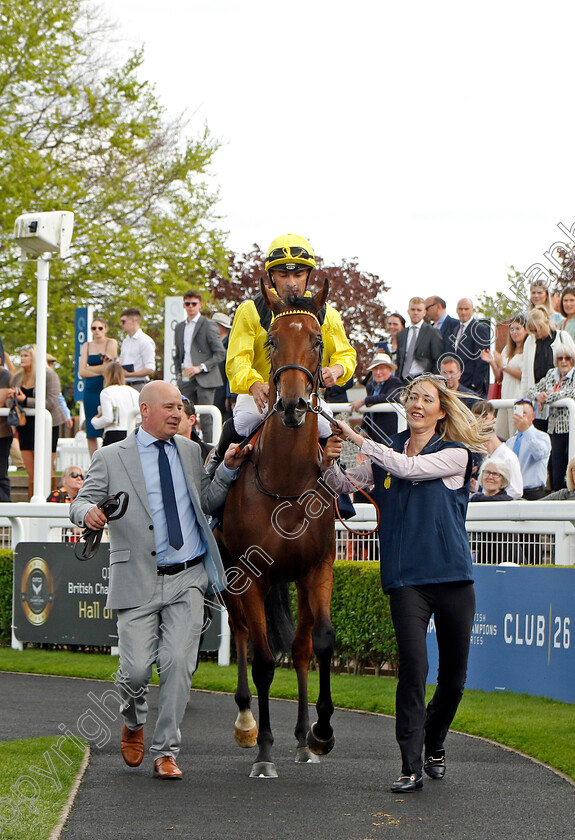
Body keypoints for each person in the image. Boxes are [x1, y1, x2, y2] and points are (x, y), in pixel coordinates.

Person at [69, 381, 250, 780]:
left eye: (180, 408)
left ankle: (166, 750)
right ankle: (133, 722)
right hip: (136, 579)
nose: (177, 414)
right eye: (169, 407)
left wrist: (229, 470)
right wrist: (88, 515)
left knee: (177, 665)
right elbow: (80, 501)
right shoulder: (110, 456)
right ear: (145, 411)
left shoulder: (190, 451)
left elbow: (205, 501)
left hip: (188, 577)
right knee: (134, 673)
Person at [321, 373, 489, 792]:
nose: (416, 404)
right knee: (414, 669)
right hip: (405, 581)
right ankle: (409, 764)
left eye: (426, 399)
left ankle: (435, 741)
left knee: (453, 682)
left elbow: (410, 470)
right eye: (412, 397)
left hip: (453, 580)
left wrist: (360, 440)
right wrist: (329, 462)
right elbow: (344, 485)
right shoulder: (387, 450)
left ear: (441, 410)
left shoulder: (456, 453)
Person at [206, 233, 356, 472]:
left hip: (305, 395)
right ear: (272, 276)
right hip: (260, 395)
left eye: (298, 274)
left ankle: (341, 494)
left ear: (308, 276)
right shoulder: (250, 310)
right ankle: (213, 474)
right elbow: (236, 360)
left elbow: (346, 355)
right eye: (283, 275)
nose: (291, 282)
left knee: (331, 428)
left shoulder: (327, 314)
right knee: (243, 422)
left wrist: (337, 369)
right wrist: (254, 384)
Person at [9, 345, 67, 494]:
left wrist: (26, 400)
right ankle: (32, 502)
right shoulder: (17, 377)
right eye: (21, 355)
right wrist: (12, 399)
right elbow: (11, 402)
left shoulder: (49, 375)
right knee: (31, 471)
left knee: (47, 468)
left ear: (34, 357)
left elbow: (51, 402)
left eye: (26, 355)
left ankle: (52, 499)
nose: (22, 358)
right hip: (25, 425)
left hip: (48, 424)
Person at [173, 291, 226, 442]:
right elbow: (178, 353)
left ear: (200, 305)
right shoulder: (179, 327)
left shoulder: (208, 325)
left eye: (194, 304)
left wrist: (200, 367)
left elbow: (220, 353)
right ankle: (185, 449)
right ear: (184, 305)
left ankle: (209, 455)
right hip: (186, 378)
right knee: (183, 416)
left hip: (206, 377)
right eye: (188, 304)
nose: (191, 307)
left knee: (207, 419)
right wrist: (178, 372)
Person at [527, 344, 575, 491]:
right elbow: (530, 391)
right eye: (560, 358)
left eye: (568, 358)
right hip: (554, 427)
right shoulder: (551, 374)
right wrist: (538, 396)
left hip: (571, 426)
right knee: (555, 464)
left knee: (570, 463)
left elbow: (569, 393)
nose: (564, 361)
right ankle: (557, 493)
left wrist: (545, 398)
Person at [521, 308, 575, 424]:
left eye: (537, 330)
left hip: (561, 406)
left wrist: (549, 396)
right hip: (537, 402)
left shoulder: (563, 337)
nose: (535, 334)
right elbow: (525, 376)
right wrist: (525, 401)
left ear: (546, 323)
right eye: (532, 331)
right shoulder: (529, 342)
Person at [481, 315, 527, 439]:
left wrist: (504, 366)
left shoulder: (528, 349)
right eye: (512, 329)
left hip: (518, 399)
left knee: (515, 436)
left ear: (526, 330)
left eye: (518, 328)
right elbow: (499, 377)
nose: (514, 332)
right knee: (501, 436)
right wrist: (491, 362)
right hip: (504, 398)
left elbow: (525, 375)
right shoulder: (507, 349)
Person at [78, 318, 118, 456]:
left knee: (107, 421)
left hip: (105, 385)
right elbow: (81, 371)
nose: (97, 331)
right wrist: (100, 369)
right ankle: (93, 460)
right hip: (90, 389)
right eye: (94, 328)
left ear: (105, 329)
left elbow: (109, 368)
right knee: (91, 426)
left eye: (100, 328)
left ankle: (108, 458)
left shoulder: (111, 343)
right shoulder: (87, 346)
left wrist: (91, 370)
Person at [470, 400, 523, 499]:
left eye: (485, 418)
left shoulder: (509, 457)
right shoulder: (488, 457)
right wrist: (476, 486)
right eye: (476, 418)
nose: (480, 422)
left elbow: (516, 491)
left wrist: (488, 500)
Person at [351, 353, 402, 444]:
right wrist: (363, 429)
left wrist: (364, 400)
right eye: (375, 369)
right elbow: (368, 410)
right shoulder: (370, 386)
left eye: (382, 368)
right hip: (373, 436)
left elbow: (390, 397)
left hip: (389, 436)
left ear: (390, 370)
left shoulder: (394, 382)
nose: (378, 372)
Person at [505, 399, 551, 499]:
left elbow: (539, 454)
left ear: (533, 416)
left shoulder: (542, 437)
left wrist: (526, 430)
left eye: (524, 413)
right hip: (512, 493)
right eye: (518, 413)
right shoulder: (510, 442)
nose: (521, 416)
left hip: (533, 492)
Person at [90, 362, 140, 446]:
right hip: (132, 433)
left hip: (113, 434)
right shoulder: (134, 392)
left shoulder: (106, 392)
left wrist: (94, 421)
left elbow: (108, 418)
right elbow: (139, 417)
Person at [448, 298, 490, 397]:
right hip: (457, 385)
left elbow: (482, 361)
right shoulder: (455, 329)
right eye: (460, 309)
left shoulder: (479, 329)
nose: (463, 312)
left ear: (473, 310)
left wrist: (474, 384)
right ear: (456, 310)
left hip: (471, 387)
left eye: (466, 309)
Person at [396, 297, 443, 383]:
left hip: (423, 380)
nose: (415, 313)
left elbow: (438, 359)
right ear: (408, 311)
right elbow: (399, 360)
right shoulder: (401, 334)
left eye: (419, 310)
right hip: (403, 381)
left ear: (424, 312)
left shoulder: (432, 333)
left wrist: (432, 381)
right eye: (413, 309)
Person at [117, 308, 156, 391]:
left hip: (139, 385)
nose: (121, 324)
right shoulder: (125, 341)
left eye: (124, 321)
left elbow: (150, 369)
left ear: (134, 321)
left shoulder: (145, 341)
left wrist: (130, 374)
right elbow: (122, 361)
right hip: (125, 385)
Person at [211, 312, 233, 422]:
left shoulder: (231, 343)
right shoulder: (213, 342)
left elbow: (231, 370)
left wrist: (230, 395)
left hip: (226, 389)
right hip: (215, 387)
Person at [0, 365, 13, 502]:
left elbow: (1, 400)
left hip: (2, 433)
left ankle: (5, 512)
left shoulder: (4, 374)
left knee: (1, 474)